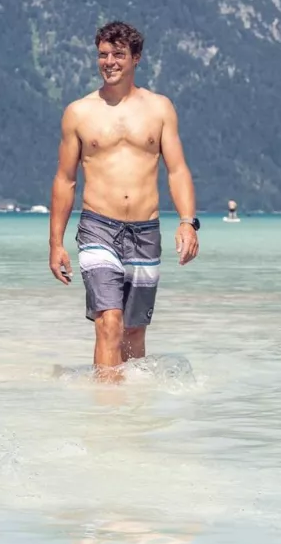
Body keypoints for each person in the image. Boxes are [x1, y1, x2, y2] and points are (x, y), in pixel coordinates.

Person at [48, 21, 199, 380]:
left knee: (133, 331)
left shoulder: (160, 109)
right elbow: (65, 179)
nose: (109, 62)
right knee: (109, 322)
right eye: (103, 54)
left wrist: (188, 221)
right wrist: (55, 243)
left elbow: (177, 171)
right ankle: (106, 412)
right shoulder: (79, 112)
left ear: (136, 58)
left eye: (118, 54)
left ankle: (130, 420)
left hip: (146, 230)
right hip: (98, 226)